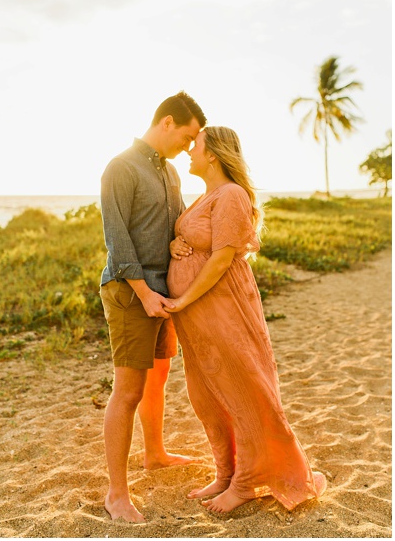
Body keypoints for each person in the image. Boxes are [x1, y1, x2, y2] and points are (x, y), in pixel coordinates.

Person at [166, 126, 327, 513]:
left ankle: (248, 480)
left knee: (243, 389)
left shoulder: (232, 194)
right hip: (198, 318)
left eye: (196, 147)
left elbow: (222, 258)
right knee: (207, 394)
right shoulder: (207, 195)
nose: (189, 151)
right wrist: (175, 245)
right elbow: (200, 241)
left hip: (222, 308)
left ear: (214, 156)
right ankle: (226, 472)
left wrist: (185, 295)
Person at [98, 91, 206, 523]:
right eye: (188, 135)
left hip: (165, 294)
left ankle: (155, 454)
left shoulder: (171, 173)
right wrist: (144, 293)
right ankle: (116, 493)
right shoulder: (120, 167)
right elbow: (117, 239)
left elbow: (176, 221)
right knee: (127, 391)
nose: (190, 145)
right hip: (131, 293)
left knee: (157, 379)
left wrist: (180, 240)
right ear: (166, 123)